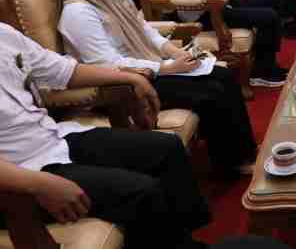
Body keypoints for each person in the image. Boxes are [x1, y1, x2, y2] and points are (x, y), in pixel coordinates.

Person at [0, 21, 212, 249]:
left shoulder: (4, 34)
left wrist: (132, 78)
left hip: (52, 138)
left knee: (166, 148)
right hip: (19, 170)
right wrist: (37, 183)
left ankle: (185, 240)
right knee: (142, 192)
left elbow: (65, 72)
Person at [57, 0, 258, 176]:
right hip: (124, 84)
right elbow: (106, 63)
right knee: (211, 92)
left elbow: (146, 31)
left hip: (150, 66)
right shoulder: (78, 12)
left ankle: (245, 152)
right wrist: (168, 68)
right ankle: (230, 163)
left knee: (223, 75)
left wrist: (175, 52)